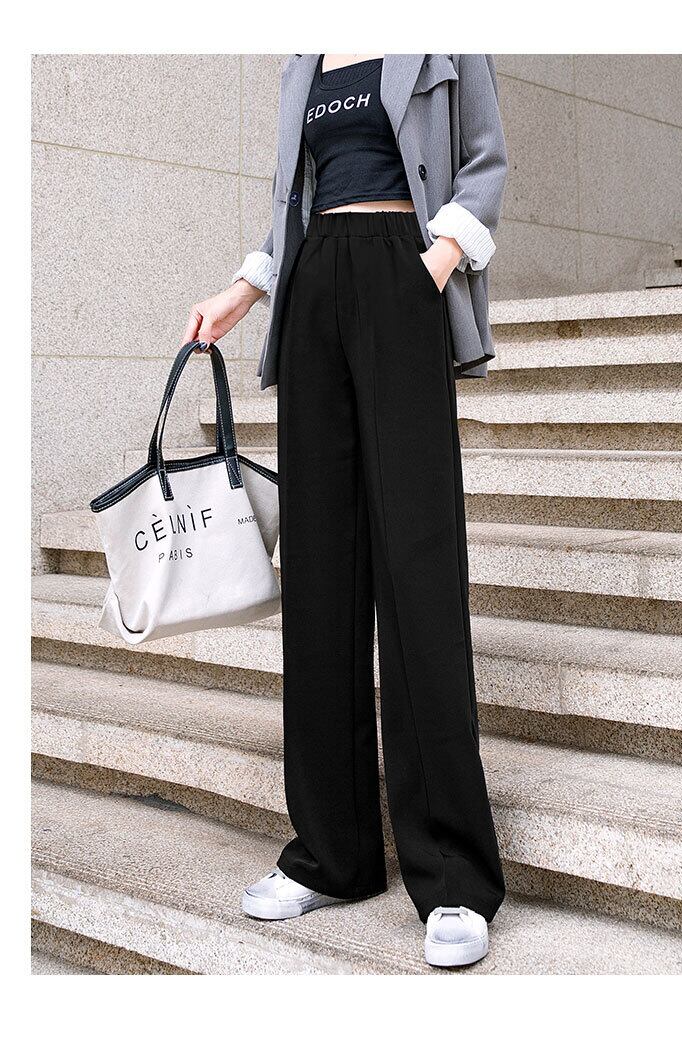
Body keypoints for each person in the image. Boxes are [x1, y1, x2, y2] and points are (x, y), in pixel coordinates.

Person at [183, 53, 508, 969]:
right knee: (321, 572)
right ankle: (333, 852)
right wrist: (242, 293)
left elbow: (485, 160)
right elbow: (291, 202)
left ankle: (452, 873)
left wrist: (432, 263)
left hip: (404, 270)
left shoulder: (442, 38)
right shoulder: (305, 61)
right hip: (314, 289)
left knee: (418, 567)